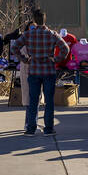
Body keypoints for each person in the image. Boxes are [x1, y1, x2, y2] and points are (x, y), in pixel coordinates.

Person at [14, 8, 70, 136]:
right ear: (45, 20)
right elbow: (65, 49)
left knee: (33, 100)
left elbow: (14, 47)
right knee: (49, 100)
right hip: (49, 71)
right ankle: (49, 128)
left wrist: (25, 59)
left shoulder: (28, 35)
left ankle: (31, 128)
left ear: (34, 20)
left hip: (33, 70)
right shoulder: (52, 34)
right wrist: (55, 59)